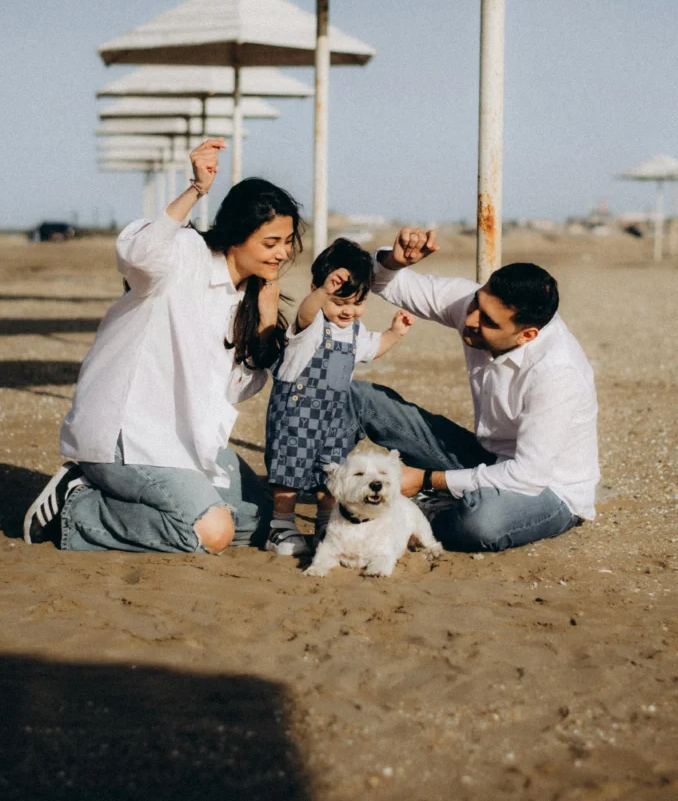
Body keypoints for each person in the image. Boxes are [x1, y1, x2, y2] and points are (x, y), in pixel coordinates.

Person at [24, 139, 304, 554]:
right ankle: (75, 508)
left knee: (259, 523)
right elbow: (136, 253)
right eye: (271, 242)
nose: (282, 253)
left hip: (183, 438)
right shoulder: (184, 256)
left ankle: (127, 498)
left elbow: (231, 391)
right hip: (125, 433)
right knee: (212, 533)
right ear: (237, 235)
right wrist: (195, 189)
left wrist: (264, 324)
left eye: (287, 241)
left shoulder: (244, 299)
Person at [347, 228, 599, 552]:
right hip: (486, 460)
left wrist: (425, 479)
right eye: (476, 303)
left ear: (527, 336)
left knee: (480, 524)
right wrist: (393, 261)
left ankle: (415, 512)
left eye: (490, 322)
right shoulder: (473, 308)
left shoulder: (556, 372)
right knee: (360, 397)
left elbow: (526, 475)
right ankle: (326, 500)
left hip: (547, 490)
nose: (471, 320)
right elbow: (387, 283)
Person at [264, 238, 414, 557]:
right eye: (339, 301)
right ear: (317, 290)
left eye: (357, 302)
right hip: (296, 413)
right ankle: (281, 525)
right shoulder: (313, 324)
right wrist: (320, 295)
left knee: (329, 473)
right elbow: (306, 312)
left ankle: (324, 522)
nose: (348, 310)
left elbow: (374, 349)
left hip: (333, 416)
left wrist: (395, 333)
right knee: (290, 469)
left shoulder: (355, 331)